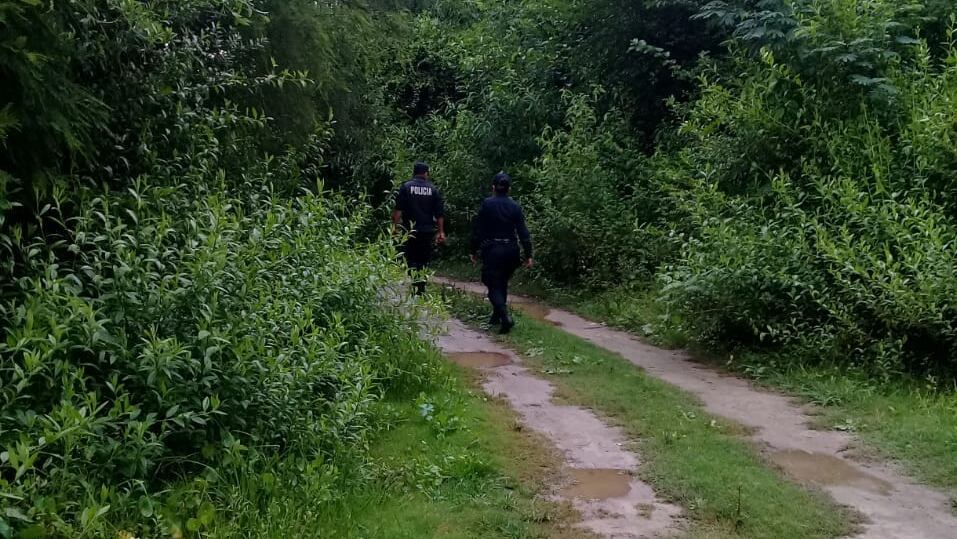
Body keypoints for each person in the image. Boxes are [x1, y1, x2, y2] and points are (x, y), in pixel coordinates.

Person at [470, 172, 533, 334]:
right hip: (511, 250)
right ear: (509, 189)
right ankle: (496, 316)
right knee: (502, 282)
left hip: (493, 249)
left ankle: (505, 317)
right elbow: (523, 232)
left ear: (493, 188)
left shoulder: (487, 204)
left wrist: (473, 250)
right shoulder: (515, 206)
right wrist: (528, 255)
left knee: (491, 283)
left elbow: (479, 230)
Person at [392, 161, 446, 295]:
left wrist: (395, 228)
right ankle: (420, 286)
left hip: (409, 231)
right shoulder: (433, 189)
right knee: (424, 259)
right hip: (426, 231)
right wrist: (441, 232)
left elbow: (398, 210)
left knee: (410, 258)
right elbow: (439, 214)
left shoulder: (406, 187)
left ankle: (415, 282)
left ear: (414, 173)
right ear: (426, 173)